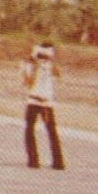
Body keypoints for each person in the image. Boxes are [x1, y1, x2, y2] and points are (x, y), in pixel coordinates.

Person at [20, 41, 65, 170]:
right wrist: (35, 67)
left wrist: (52, 61)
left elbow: (59, 76)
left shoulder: (51, 65)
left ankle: (58, 162)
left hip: (46, 102)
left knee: (52, 131)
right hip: (33, 100)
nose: (43, 59)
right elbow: (28, 83)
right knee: (29, 130)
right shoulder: (28, 65)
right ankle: (33, 160)